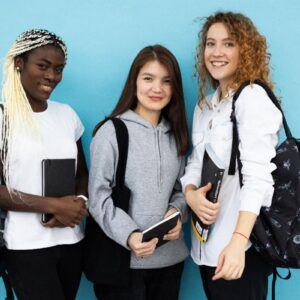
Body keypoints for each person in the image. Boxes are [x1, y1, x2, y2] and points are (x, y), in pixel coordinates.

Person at [181, 12, 282, 300]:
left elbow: (259, 179)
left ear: (245, 50)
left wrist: (238, 243)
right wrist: (190, 196)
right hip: (204, 250)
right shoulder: (205, 106)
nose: (216, 52)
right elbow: (194, 165)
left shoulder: (252, 98)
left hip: (239, 251)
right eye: (210, 44)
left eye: (228, 44)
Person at [89, 44, 189, 300]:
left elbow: (182, 190)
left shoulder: (176, 135)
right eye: (148, 78)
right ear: (134, 82)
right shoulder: (111, 132)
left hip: (170, 263)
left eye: (166, 81)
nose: (157, 88)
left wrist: (178, 214)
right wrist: (131, 235)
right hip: (122, 266)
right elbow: (98, 198)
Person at [0, 29, 88, 300]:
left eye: (58, 69)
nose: (52, 76)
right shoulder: (3, 118)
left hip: (71, 241)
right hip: (26, 247)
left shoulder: (66, 115)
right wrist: (54, 206)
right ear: (19, 64)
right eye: (43, 66)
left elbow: (82, 173)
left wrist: (79, 202)